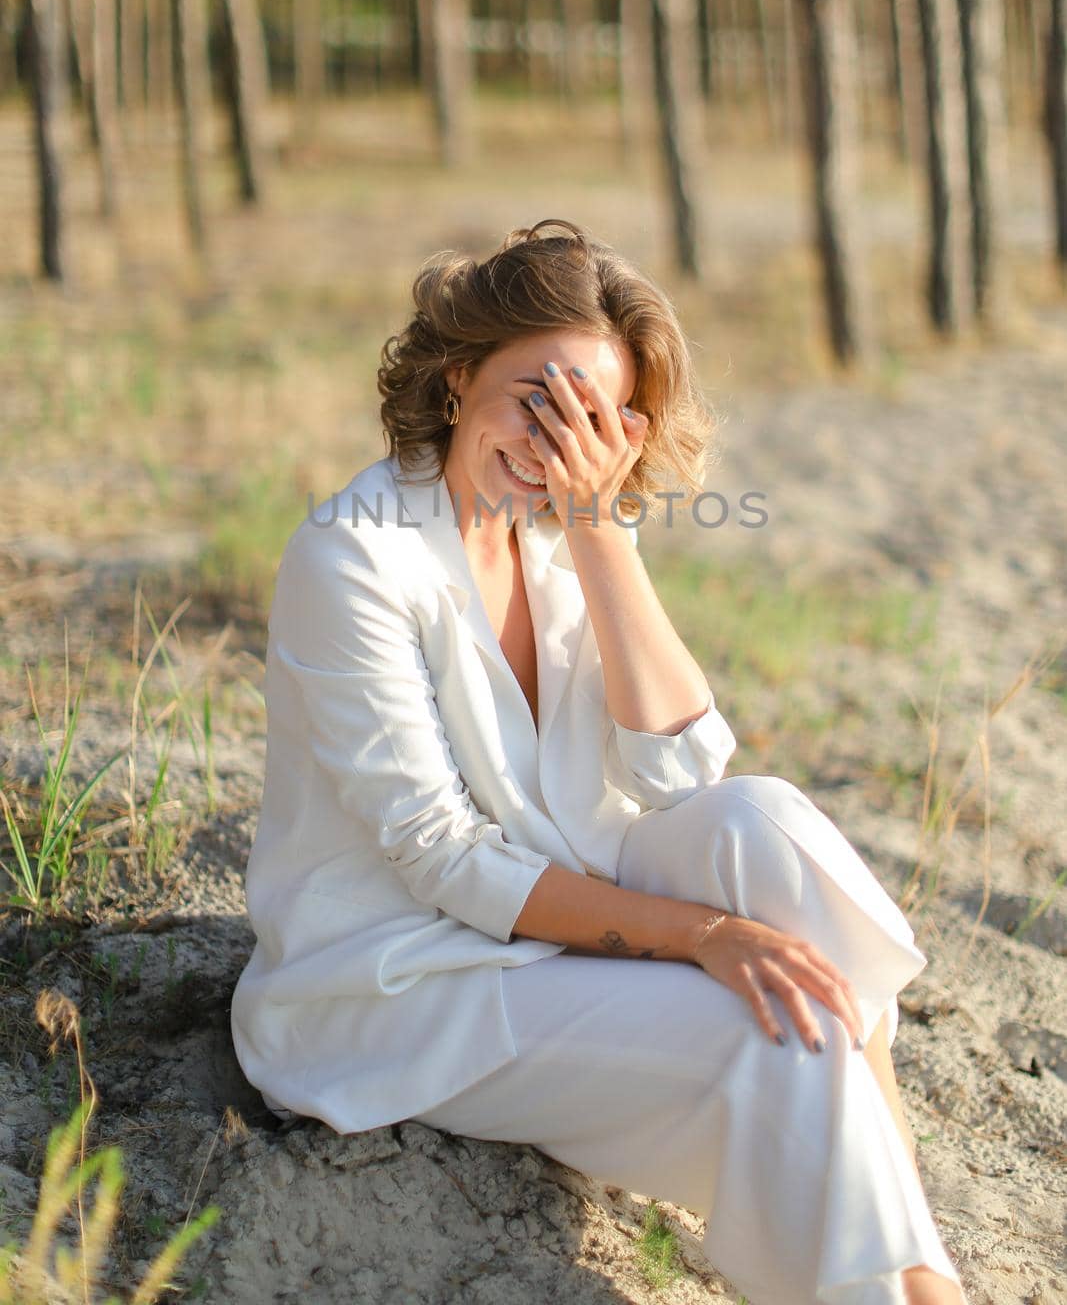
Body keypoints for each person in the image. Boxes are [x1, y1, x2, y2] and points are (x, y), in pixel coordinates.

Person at [231, 220, 968, 1305]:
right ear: (457, 374)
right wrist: (707, 936)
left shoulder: (554, 533)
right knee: (771, 1040)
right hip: (403, 980)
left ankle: (914, 1272)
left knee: (761, 824)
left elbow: (682, 775)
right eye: (534, 395)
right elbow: (443, 861)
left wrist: (597, 532)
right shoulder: (354, 556)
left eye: (589, 414)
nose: (553, 438)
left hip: (558, 909)